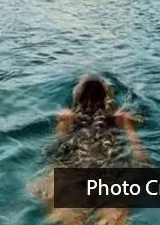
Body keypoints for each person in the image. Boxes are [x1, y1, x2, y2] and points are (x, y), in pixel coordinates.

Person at [32, 74, 145, 225]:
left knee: (67, 215)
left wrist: (61, 128)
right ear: (109, 98)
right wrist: (128, 127)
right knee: (113, 217)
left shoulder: (67, 120)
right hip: (108, 176)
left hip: (70, 173)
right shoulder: (118, 122)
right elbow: (142, 164)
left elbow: (55, 155)